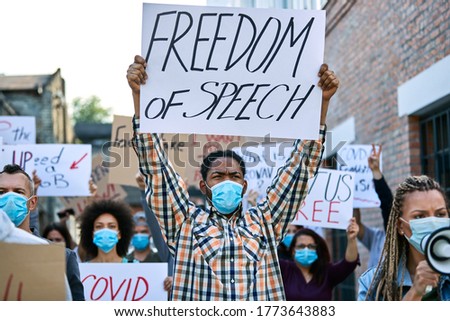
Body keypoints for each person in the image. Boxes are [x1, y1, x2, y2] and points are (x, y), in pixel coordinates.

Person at [128, 54, 339, 300]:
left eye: (234, 175)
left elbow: (300, 169)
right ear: (205, 187)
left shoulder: (265, 223)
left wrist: (320, 104)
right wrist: (140, 98)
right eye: (218, 176)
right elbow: (156, 167)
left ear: (244, 184)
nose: (227, 180)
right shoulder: (185, 222)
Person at [0, 164, 85, 300]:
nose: (9, 199)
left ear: (32, 202)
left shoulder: (63, 257)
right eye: (1, 192)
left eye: (18, 192)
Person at [358, 175, 450, 301]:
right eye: (419, 217)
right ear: (400, 226)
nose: (433, 222)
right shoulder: (373, 283)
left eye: (440, 214)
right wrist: (415, 292)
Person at [0, 209, 73, 300]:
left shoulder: (43, 251)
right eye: (2, 193)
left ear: (32, 202)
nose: (54, 243)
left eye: (58, 240)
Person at [280, 218, 359, 300]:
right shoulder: (284, 269)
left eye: (311, 246)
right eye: (301, 246)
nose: (306, 250)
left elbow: (349, 264)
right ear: (293, 250)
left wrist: (351, 239)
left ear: (316, 249)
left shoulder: (326, 272)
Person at [354, 144, 393, 269]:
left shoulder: (398, 240)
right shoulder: (377, 238)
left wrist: (376, 173)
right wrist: (354, 199)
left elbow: (387, 204)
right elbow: (357, 226)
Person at [79, 199, 137, 263]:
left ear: (119, 234)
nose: (105, 230)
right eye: (99, 226)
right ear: (92, 235)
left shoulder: (134, 267)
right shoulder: (83, 269)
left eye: (111, 226)